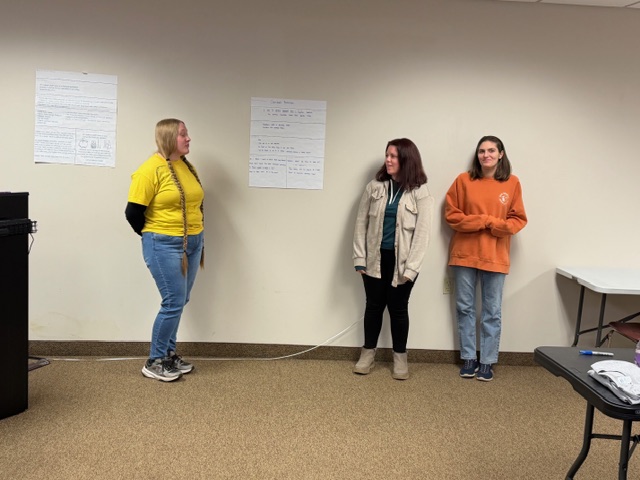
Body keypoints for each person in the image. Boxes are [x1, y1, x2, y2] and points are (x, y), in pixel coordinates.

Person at [125, 118, 205, 382]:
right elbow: (133, 212)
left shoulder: (186, 166)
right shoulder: (149, 170)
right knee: (172, 302)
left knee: (181, 300)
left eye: (187, 133)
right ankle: (155, 360)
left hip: (193, 242)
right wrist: (155, 237)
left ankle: (169, 354)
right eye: (183, 134)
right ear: (169, 137)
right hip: (164, 244)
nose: (188, 138)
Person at [445, 135, 527, 382]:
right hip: (464, 254)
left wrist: (494, 225)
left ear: (501, 154)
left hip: (495, 256)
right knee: (465, 308)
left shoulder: (512, 183)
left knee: (492, 311)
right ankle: (469, 357)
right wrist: (484, 220)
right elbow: (452, 216)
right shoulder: (463, 180)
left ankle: (487, 361)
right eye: (482, 151)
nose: (486, 155)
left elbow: (517, 220)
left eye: (491, 150)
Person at [352, 138, 434, 380]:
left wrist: (412, 269)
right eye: (387, 155)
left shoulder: (420, 192)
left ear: (406, 159)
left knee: (398, 310)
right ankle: (367, 354)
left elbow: (423, 234)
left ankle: (400, 358)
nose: (388, 160)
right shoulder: (374, 187)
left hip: (403, 264)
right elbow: (360, 224)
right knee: (373, 307)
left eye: (393, 156)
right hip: (374, 260)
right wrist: (359, 258)